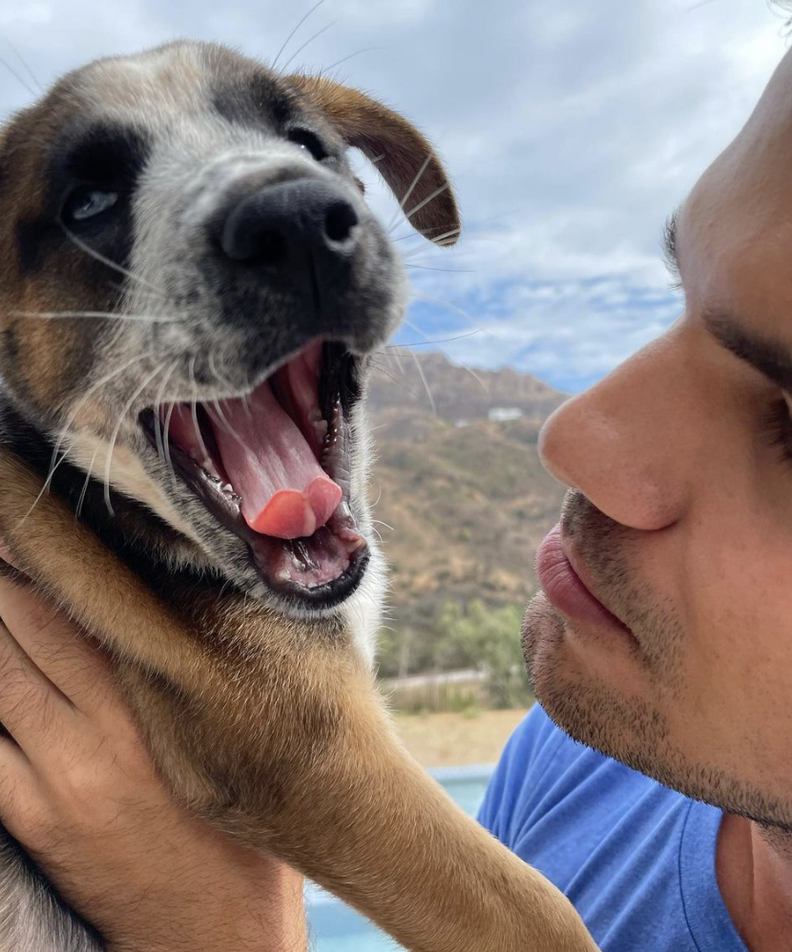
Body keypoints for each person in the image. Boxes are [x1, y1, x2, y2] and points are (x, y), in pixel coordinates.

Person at [5, 26, 792, 952]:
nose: (572, 438)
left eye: (786, 423)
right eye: (91, 200)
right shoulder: (574, 758)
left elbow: (289, 766)